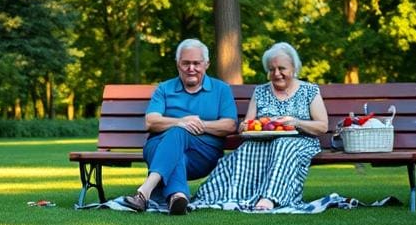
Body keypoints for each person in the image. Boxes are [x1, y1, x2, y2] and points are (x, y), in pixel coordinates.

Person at [192, 42, 329, 211]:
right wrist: (243, 127)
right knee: (246, 148)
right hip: (264, 141)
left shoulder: (309, 91)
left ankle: (270, 197)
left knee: (283, 144)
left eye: (281, 68)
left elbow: (322, 126)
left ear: (294, 68)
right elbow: (248, 124)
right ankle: (219, 195)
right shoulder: (260, 91)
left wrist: (297, 123)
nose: (276, 74)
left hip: (301, 141)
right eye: (271, 69)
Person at [121, 38, 238, 215]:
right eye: (186, 63)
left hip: (204, 154)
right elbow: (150, 121)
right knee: (178, 143)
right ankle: (177, 197)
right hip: (158, 147)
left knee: (179, 132)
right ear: (178, 64)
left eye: (196, 63)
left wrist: (199, 125)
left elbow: (230, 125)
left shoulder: (221, 89)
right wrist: (181, 122)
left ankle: (144, 192)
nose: (191, 68)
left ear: (206, 64)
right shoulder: (164, 88)